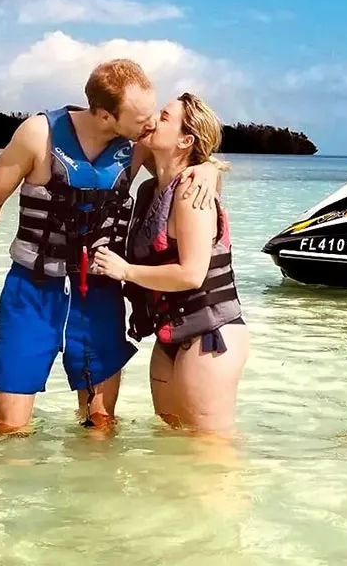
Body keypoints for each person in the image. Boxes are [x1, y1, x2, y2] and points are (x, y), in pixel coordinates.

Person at [0, 60, 218, 435]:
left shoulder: (137, 145)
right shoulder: (39, 134)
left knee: (100, 426)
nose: (151, 124)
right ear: (105, 115)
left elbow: (186, 166)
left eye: (154, 114)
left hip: (99, 294)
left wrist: (209, 169)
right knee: (9, 429)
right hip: (32, 291)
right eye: (141, 118)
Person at [92, 94, 248, 437]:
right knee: (170, 441)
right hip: (171, 334)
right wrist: (211, 167)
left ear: (185, 140)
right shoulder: (155, 188)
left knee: (210, 451)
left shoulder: (192, 193)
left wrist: (125, 271)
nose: (152, 120)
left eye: (163, 117)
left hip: (210, 334)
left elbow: (192, 274)